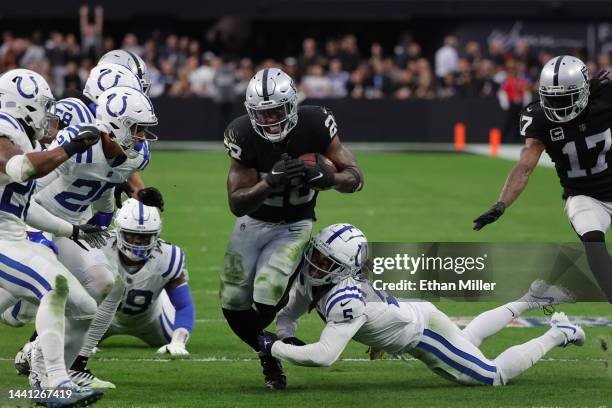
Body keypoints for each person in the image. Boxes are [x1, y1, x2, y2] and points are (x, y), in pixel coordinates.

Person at [258, 224, 584, 387]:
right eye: (315, 255)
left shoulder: (347, 298)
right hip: (414, 315)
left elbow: (325, 356)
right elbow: (289, 313)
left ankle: (559, 333)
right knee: (467, 340)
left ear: (345, 268)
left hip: (420, 334)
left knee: (491, 375)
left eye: (324, 261)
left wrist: (274, 348)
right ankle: (531, 298)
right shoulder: (318, 280)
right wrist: (285, 337)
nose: (314, 265)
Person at [221, 67, 363, 390]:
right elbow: (237, 204)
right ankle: (268, 350)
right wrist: (270, 181)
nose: (270, 120)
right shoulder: (242, 133)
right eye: (263, 113)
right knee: (232, 300)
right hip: (253, 221)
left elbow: (356, 178)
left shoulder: (316, 124)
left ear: (292, 105)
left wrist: (330, 178)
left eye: (275, 112)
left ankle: (271, 341)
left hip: (296, 222)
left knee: (267, 290)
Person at [0, 68, 107, 406]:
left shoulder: (22, 137)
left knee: (85, 307)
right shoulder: (3, 128)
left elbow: (24, 207)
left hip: (14, 236)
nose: (49, 114)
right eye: (43, 106)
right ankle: (56, 385)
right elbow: (20, 168)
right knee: (54, 288)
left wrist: (73, 229)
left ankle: (46, 377)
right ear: (24, 105)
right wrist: (72, 147)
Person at [474, 55, 612, 302]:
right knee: (592, 239)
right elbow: (524, 167)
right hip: (584, 196)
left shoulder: (606, 96)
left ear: (583, 91)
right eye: (551, 98)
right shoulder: (538, 118)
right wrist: (501, 203)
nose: (557, 106)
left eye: (564, 98)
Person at [96, 199, 195, 354]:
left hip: (152, 321)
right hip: (101, 319)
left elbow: (183, 305)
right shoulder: (99, 246)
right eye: (131, 235)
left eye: (144, 237)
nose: (137, 241)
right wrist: (78, 337)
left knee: (172, 339)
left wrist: (178, 341)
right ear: (119, 231)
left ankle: (160, 293)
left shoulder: (167, 257)